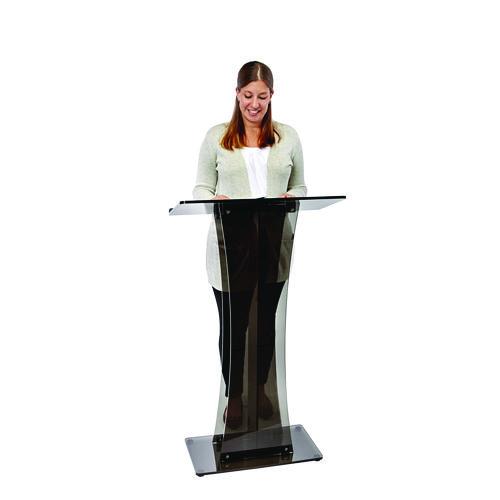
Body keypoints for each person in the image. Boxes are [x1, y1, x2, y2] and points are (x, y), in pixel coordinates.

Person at [192, 61, 307, 429]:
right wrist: (215, 199)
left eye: (262, 96)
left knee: (265, 326)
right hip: (231, 249)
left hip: (273, 247)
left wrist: (292, 196)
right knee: (234, 326)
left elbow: (300, 185)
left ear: (272, 96)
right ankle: (234, 396)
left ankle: (260, 389)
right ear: (237, 94)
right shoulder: (217, 136)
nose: (254, 104)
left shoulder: (288, 137)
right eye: (247, 95)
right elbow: (201, 187)